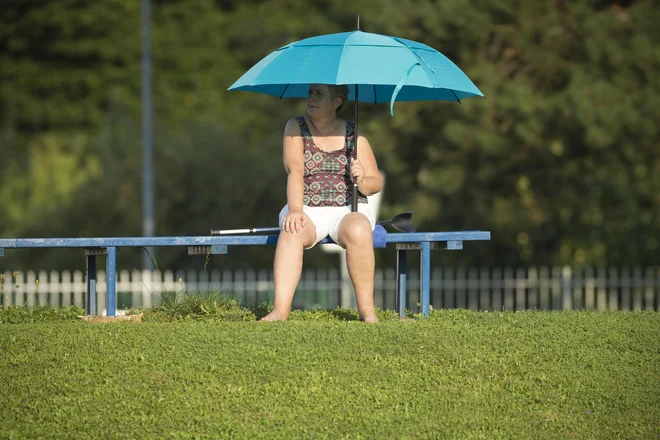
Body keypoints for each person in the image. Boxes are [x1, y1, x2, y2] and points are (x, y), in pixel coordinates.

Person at [261, 83, 384, 323]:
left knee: (359, 229)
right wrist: (296, 210)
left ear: (337, 102)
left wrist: (362, 179)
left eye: (319, 93)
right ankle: (280, 311)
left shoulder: (354, 134)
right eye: (310, 92)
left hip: (348, 209)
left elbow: (375, 183)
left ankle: (368, 311)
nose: (311, 98)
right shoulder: (296, 127)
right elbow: (294, 171)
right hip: (307, 207)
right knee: (292, 228)